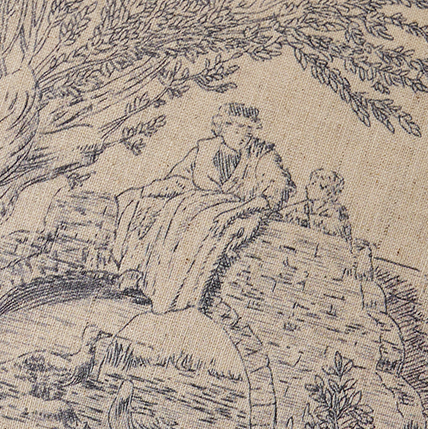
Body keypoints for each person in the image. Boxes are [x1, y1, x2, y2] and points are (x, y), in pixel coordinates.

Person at [112, 103, 295, 314]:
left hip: (237, 211)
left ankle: (175, 298)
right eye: (236, 127)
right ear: (222, 127)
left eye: (248, 129)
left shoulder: (262, 155)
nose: (242, 135)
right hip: (195, 206)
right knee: (159, 207)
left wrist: (233, 213)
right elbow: (179, 179)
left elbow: (276, 192)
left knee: (200, 223)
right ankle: (143, 280)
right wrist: (145, 191)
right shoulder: (205, 150)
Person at [285, 168, 352, 241]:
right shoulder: (306, 205)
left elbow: (335, 227)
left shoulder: (337, 210)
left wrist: (306, 218)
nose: (307, 186)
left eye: (313, 184)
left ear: (326, 190)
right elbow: (285, 212)